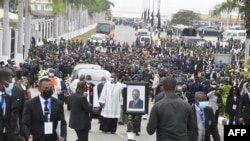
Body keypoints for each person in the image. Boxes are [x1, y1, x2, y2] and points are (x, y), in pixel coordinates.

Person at [2, 67, 26, 141]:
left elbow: (23, 114)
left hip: (13, 134)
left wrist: (23, 133)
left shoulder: (18, 92)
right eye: (10, 77)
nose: (12, 79)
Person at [0, 69, 13, 140]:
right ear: (3, 82)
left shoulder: (7, 97)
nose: (10, 84)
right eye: (8, 82)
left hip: (7, 135)